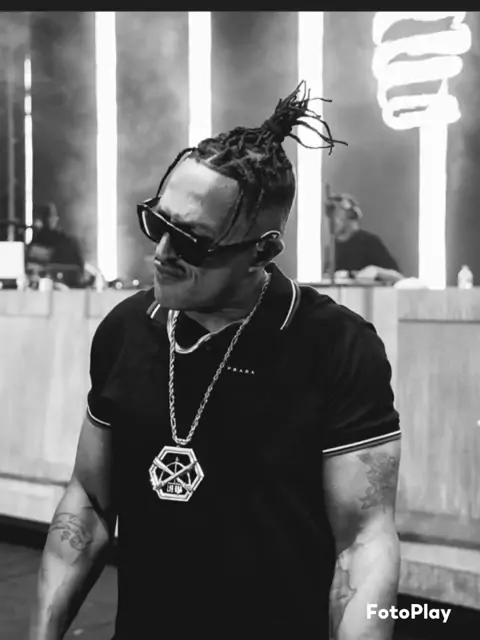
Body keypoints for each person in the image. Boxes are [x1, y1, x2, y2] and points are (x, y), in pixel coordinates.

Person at [29, 82, 401, 640]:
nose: (162, 253)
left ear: (263, 250)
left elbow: (364, 542)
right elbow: (89, 499)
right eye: (158, 223)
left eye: (192, 242)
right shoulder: (126, 329)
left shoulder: (337, 346)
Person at [324, 193, 404, 283]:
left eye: (335, 212)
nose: (331, 218)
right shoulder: (328, 248)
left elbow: (398, 277)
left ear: (351, 215)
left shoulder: (369, 243)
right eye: (329, 213)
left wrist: (376, 271)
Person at [28, 203, 85, 287]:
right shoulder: (36, 242)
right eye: (49, 217)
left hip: (66, 284)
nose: (53, 219)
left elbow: (76, 266)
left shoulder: (66, 241)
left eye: (53, 216)